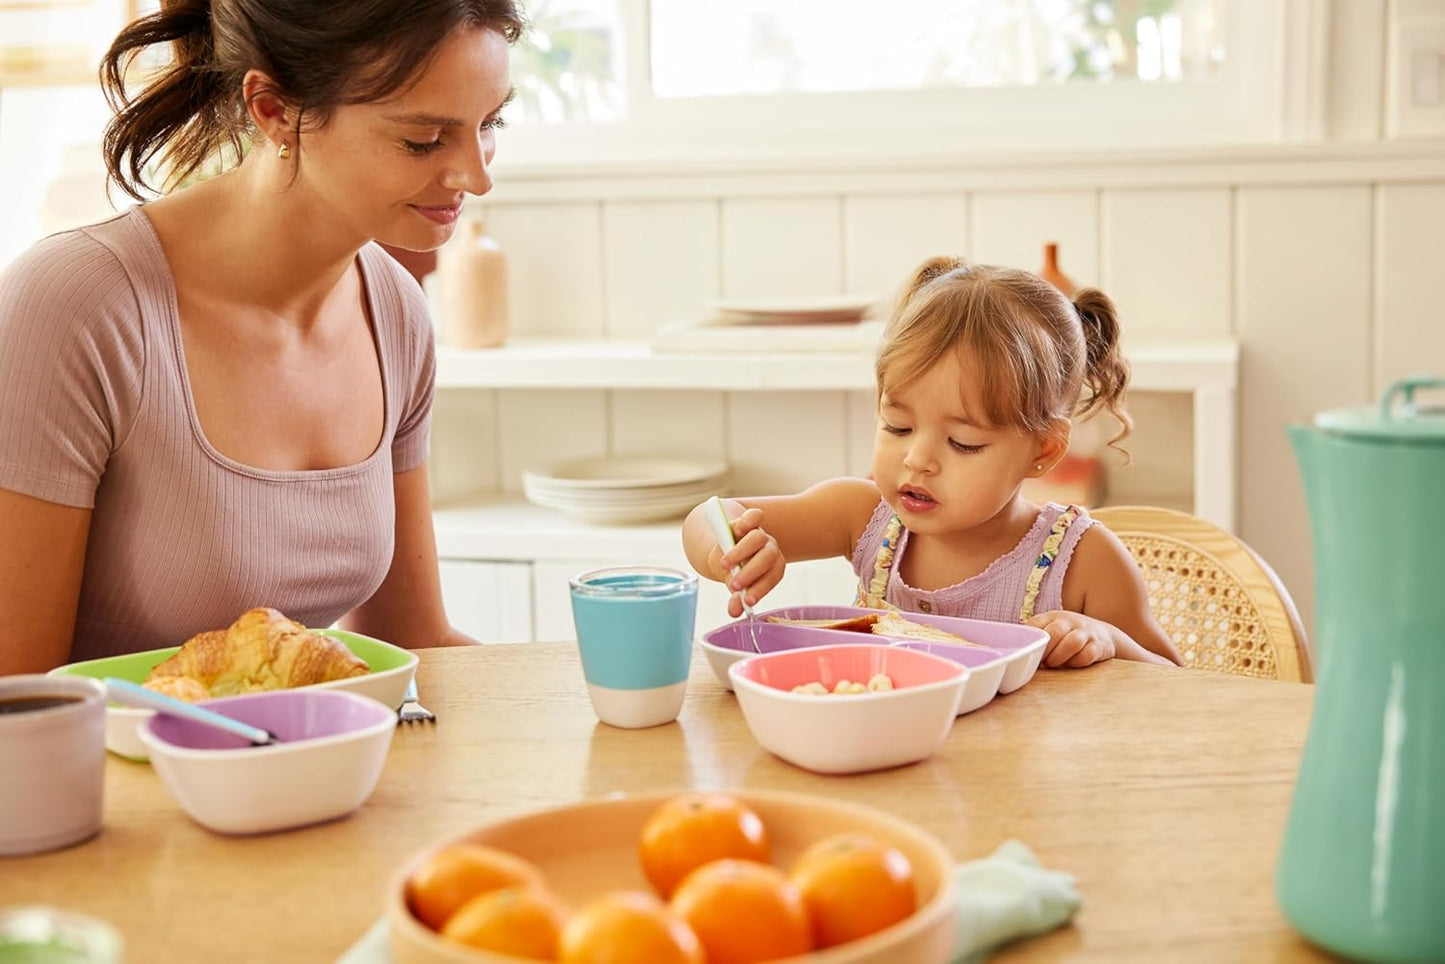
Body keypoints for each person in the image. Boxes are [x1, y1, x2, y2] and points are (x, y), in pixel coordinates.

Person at [0, 0, 525, 673]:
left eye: (490, 123)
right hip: (109, 777)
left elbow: (411, 644)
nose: (476, 176)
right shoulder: (76, 308)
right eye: (423, 139)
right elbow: (19, 704)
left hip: (303, 768)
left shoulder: (393, 311)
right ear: (274, 109)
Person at [682, 257, 1183, 669]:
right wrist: (727, 547)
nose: (917, 459)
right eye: (897, 427)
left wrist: (1108, 641)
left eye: (963, 442)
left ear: (1044, 451)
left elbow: (1178, 686)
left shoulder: (1084, 561)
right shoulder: (863, 516)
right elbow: (709, 515)